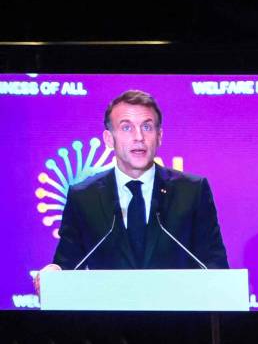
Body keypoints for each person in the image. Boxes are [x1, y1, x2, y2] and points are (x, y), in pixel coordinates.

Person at [40, 90, 229, 286]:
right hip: (108, 305)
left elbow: (214, 265)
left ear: (159, 136)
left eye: (147, 127)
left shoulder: (192, 191)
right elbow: (67, 265)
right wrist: (55, 273)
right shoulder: (84, 197)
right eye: (126, 128)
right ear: (109, 139)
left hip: (176, 304)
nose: (139, 137)